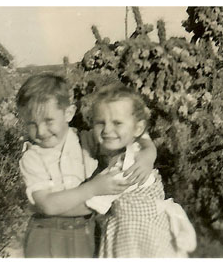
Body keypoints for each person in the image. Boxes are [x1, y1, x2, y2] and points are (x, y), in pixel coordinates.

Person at [16, 73, 156, 258]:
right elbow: (47, 205)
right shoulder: (32, 158)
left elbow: (133, 134)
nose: (40, 131)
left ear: (68, 113)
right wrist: (92, 189)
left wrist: (149, 154)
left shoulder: (86, 140)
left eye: (49, 121)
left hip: (86, 231)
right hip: (48, 234)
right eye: (32, 124)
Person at [84, 83, 197, 258]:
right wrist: (150, 151)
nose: (107, 129)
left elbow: (87, 205)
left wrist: (50, 206)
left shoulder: (124, 168)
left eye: (117, 123)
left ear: (137, 128)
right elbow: (143, 137)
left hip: (134, 243)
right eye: (100, 122)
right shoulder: (136, 147)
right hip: (156, 235)